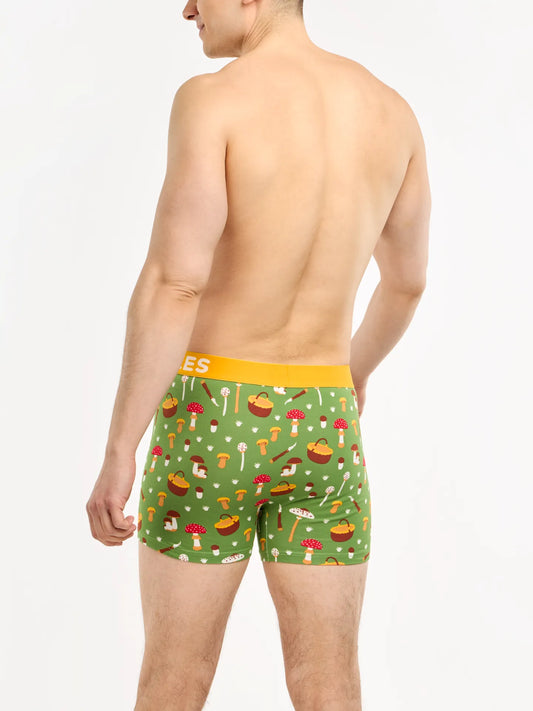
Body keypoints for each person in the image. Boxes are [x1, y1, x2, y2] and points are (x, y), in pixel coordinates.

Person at [85, 0, 431, 709]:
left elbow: (176, 282)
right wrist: (354, 374)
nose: (188, 9)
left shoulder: (213, 100)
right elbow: (406, 283)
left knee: (175, 675)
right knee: (329, 681)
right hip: (326, 415)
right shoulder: (392, 113)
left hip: (215, 416)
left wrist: (121, 447)